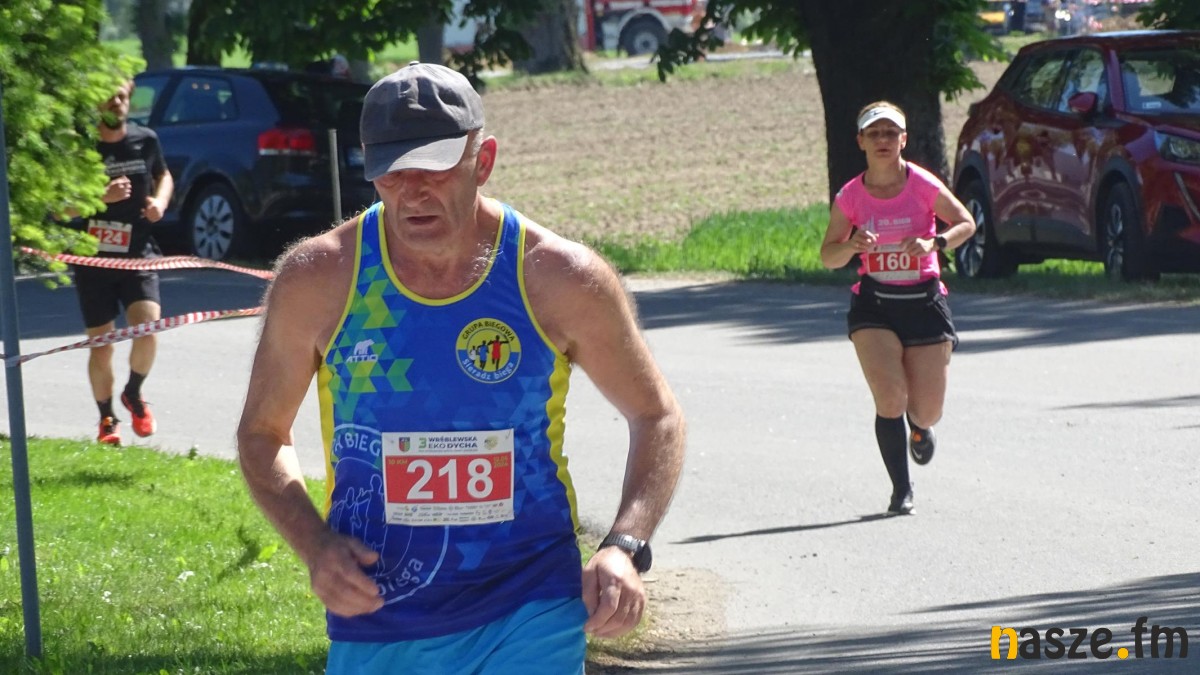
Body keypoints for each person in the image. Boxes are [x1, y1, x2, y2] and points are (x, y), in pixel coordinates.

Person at [236, 61, 686, 674]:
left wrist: (624, 546)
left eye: (435, 167)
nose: (413, 191)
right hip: (379, 613)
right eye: (392, 171)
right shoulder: (321, 278)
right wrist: (313, 544)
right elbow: (263, 434)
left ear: (484, 159)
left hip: (531, 604)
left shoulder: (556, 276)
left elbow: (656, 415)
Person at [819, 101, 976, 516]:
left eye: (891, 133)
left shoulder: (922, 185)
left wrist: (934, 243)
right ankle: (901, 490)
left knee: (927, 409)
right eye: (874, 134)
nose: (883, 140)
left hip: (924, 302)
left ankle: (919, 429)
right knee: (890, 397)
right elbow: (828, 255)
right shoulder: (850, 196)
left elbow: (966, 222)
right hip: (875, 305)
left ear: (903, 140)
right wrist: (851, 246)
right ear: (861, 142)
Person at [72, 79, 174, 446]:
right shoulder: (81, 147)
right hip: (92, 260)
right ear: (96, 103)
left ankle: (133, 393)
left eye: (122, 96)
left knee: (148, 326)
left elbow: (163, 175)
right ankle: (107, 418)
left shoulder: (145, 140)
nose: (117, 103)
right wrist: (102, 197)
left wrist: (159, 203)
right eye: (109, 97)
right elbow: (61, 208)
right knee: (102, 345)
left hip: (137, 253)